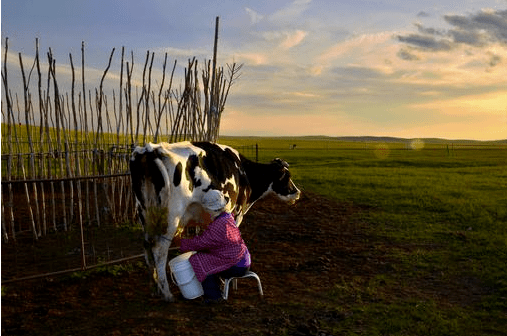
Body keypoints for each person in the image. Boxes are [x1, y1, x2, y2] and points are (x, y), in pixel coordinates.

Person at [180, 190, 251, 303]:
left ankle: (214, 296)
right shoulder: (227, 217)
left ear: (210, 210)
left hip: (235, 266)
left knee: (198, 260)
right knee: (208, 257)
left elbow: (201, 243)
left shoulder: (218, 225)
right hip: (243, 259)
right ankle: (215, 286)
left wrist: (182, 243)